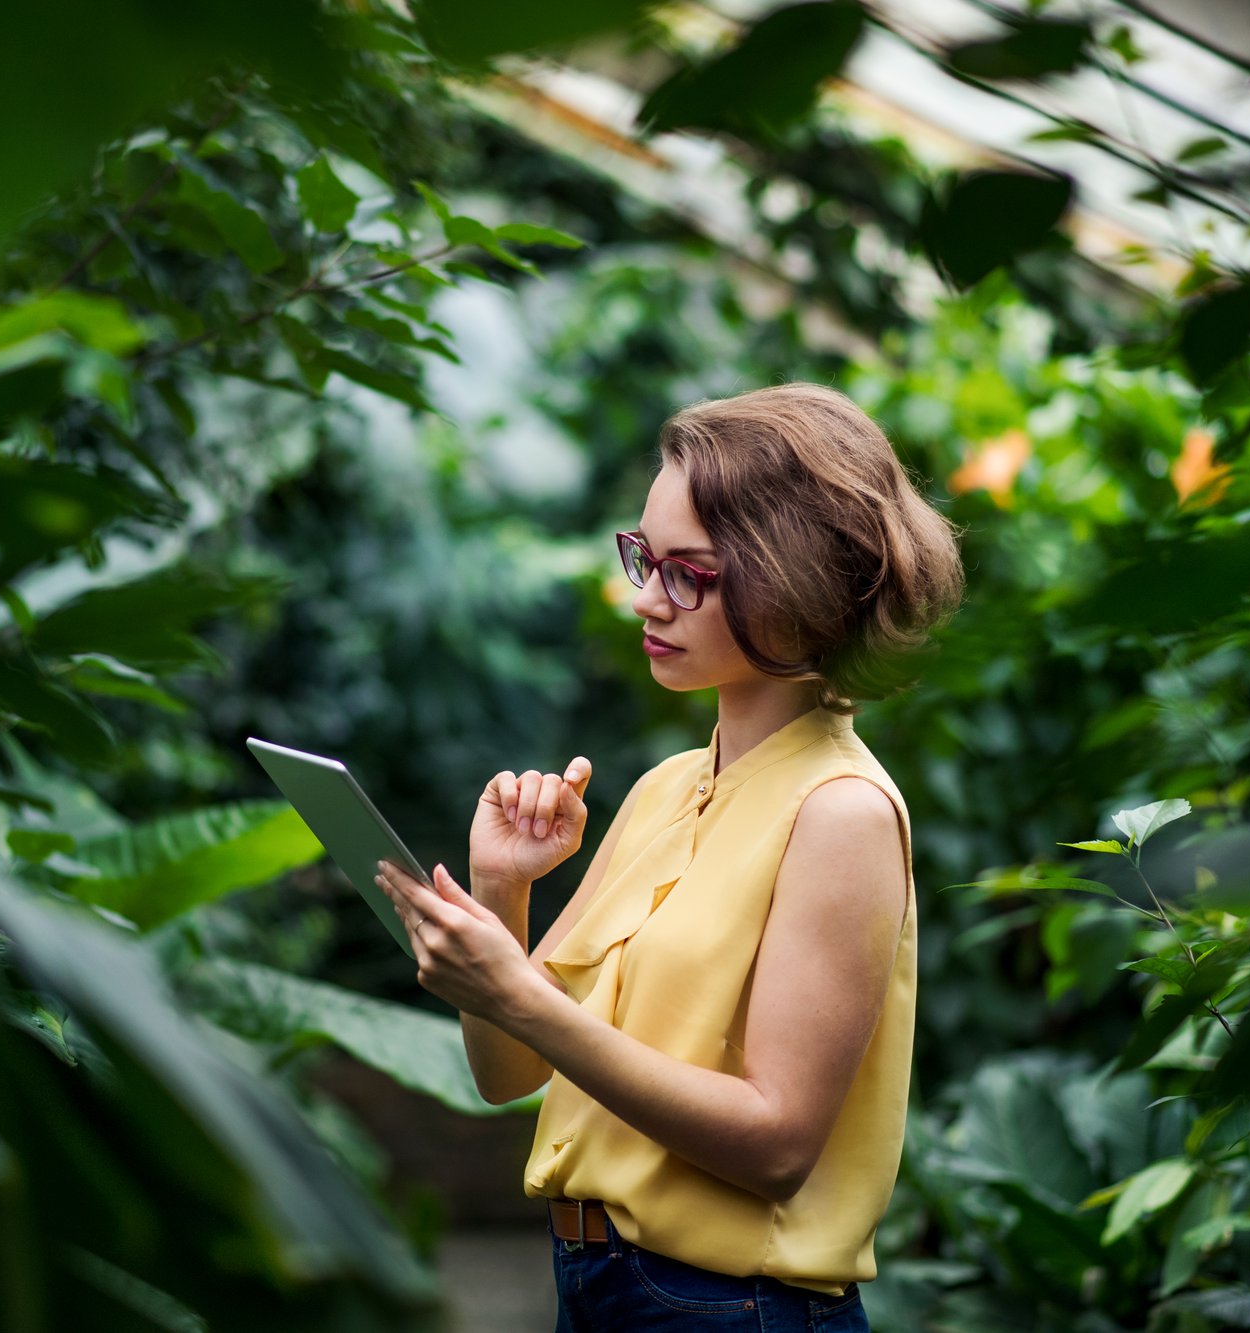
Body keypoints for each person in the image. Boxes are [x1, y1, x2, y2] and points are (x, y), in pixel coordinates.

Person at [374, 382, 966, 1330]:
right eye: (645, 558)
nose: (647, 597)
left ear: (796, 578)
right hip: (597, 1284)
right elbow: (507, 1071)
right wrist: (501, 890)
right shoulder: (668, 784)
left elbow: (778, 1143)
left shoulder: (841, 811)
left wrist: (516, 990)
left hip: (730, 1305)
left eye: (689, 572)